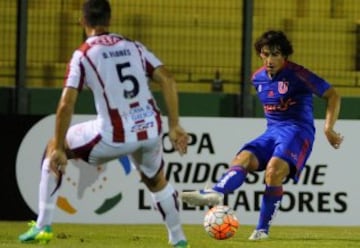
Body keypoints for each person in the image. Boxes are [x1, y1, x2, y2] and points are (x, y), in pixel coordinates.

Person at [18, 0, 190, 247]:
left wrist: (59, 147)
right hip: (150, 129)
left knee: (53, 147)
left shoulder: (84, 54)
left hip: (113, 136)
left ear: (82, 21)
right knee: (156, 181)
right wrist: (174, 125)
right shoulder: (133, 46)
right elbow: (168, 80)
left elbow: (66, 104)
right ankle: (179, 240)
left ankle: (43, 225)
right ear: (109, 20)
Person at [181, 30, 343, 241]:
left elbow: (333, 95)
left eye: (275, 54)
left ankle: (261, 230)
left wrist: (328, 128)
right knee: (243, 159)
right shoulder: (257, 78)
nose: (270, 59)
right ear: (260, 54)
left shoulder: (298, 74)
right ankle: (217, 191)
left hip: (298, 131)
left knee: (273, 171)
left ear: (285, 56)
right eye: (266, 54)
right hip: (272, 131)